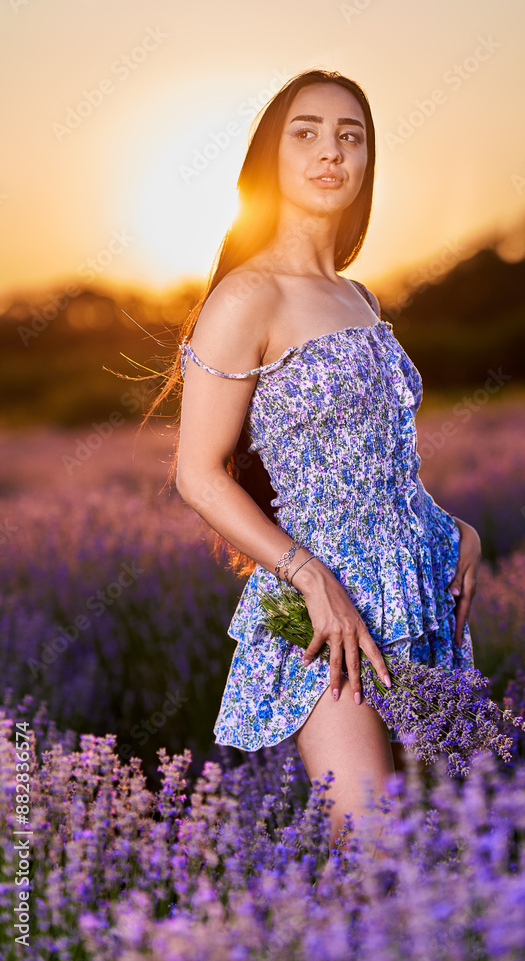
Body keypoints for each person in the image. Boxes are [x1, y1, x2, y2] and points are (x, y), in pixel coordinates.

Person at [153, 69, 481, 851]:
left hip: (416, 589)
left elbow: (375, 463)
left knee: (452, 849)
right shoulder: (245, 297)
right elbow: (197, 474)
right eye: (305, 133)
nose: (330, 152)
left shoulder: (359, 297)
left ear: (367, 161)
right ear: (270, 156)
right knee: (379, 854)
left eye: (350, 136)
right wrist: (309, 577)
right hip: (320, 614)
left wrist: (454, 527)